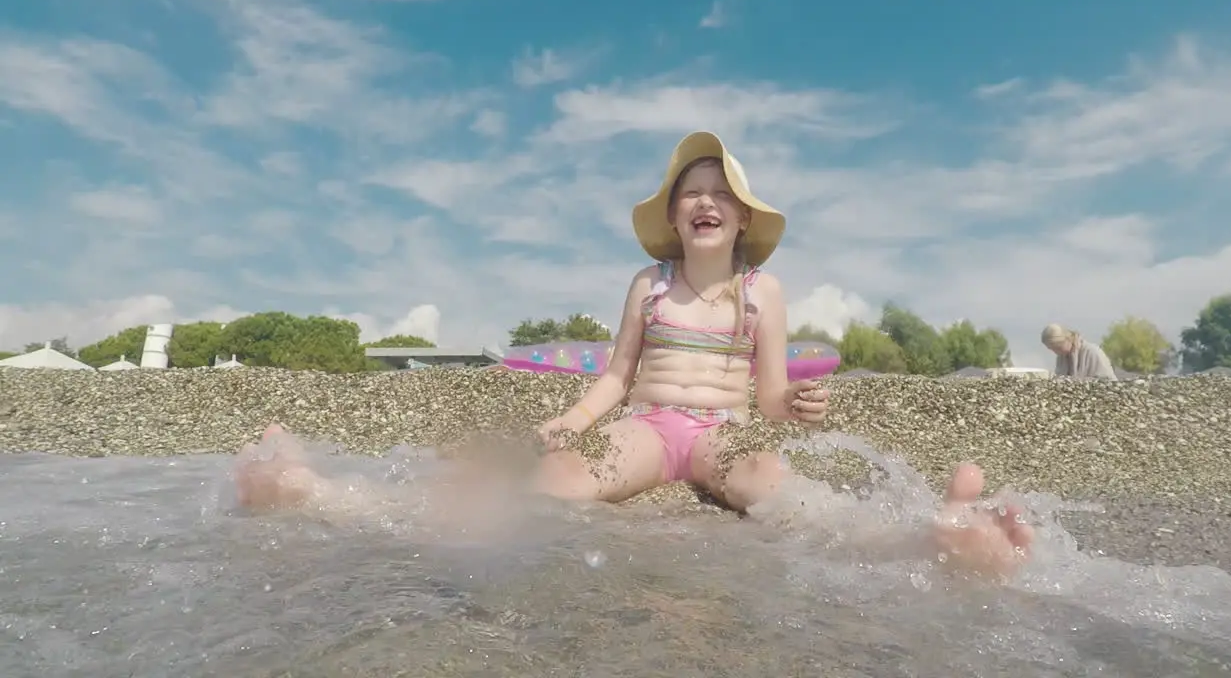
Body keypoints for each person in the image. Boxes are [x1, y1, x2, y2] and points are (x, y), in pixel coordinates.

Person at [233, 131, 1035, 579]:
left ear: (744, 219)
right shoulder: (647, 286)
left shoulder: (766, 293)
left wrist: (798, 407)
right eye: (692, 191)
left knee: (778, 490)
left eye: (721, 192)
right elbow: (615, 375)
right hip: (649, 426)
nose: (705, 201)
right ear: (673, 216)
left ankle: (935, 537)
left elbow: (771, 394)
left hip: (724, 429)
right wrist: (569, 418)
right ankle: (317, 492)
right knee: (552, 486)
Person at [1041, 324, 1117, 380]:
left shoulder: (1093, 353)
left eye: (1058, 348)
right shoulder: (1061, 357)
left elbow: (1109, 382)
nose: (1055, 352)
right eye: (1052, 349)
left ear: (1067, 339)